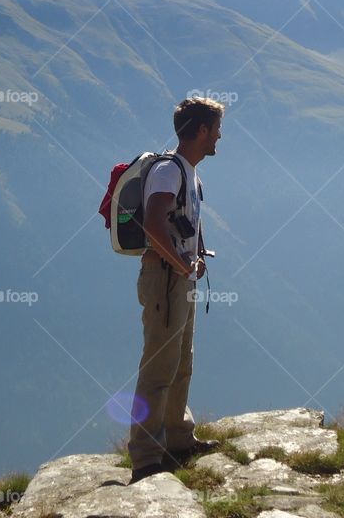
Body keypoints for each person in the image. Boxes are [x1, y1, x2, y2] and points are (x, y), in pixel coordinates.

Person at [127, 96, 224, 484]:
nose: (219, 136)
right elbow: (153, 222)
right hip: (164, 280)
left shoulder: (189, 171)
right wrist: (182, 263)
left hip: (178, 276)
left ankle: (179, 440)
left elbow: (183, 221)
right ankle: (146, 459)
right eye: (216, 128)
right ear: (201, 130)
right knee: (158, 369)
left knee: (182, 363)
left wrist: (196, 257)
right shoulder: (169, 171)